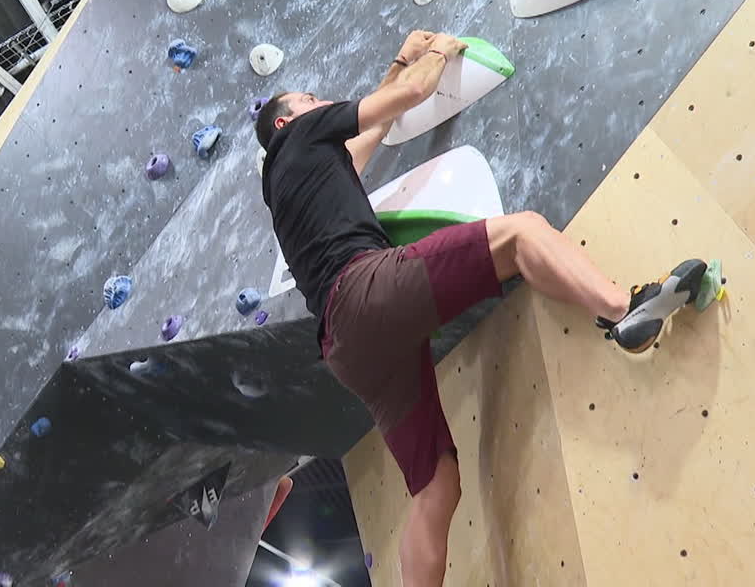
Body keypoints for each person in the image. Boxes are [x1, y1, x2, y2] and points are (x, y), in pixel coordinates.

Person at [257, 30, 704, 586]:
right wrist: (437, 54)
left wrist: (399, 59)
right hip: (366, 293)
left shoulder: (290, 181)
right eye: (310, 100)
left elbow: (373, 128)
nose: (321, 101)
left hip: (345, 348)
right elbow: (409, 97)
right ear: (286, 122)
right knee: (521, 233)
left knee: (436, 486)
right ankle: (623, 310)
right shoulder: (301, 134)